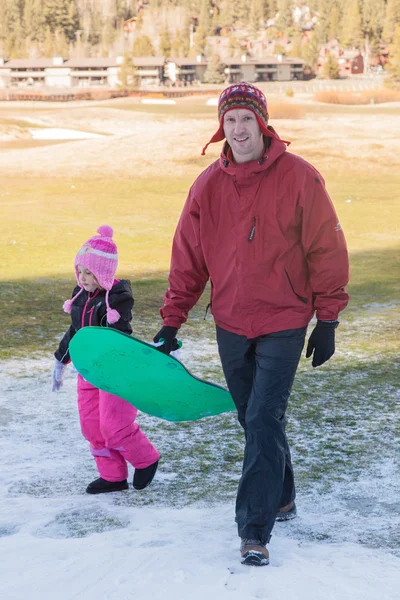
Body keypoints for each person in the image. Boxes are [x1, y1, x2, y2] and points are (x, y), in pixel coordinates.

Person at [153, 83, 349, 566]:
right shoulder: (207, 185)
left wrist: (328, 318)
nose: (238, 130)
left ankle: (253, 531)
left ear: (263, 124)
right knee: (253, 418)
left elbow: (326, 246)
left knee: (263, 417)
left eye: (247, 120)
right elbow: (189, 258)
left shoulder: (300, 178)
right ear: (222, 128)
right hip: (232, 321)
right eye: (230, 121)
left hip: (284, 319)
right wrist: (172, 320)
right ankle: (281, 497)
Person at [53, 225, 160, 494]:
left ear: (102, 272)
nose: (83, 277)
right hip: (89, 372)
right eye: (80, 270)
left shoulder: (117, 300)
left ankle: (146, 459)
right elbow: (76, 333)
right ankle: (112, 476)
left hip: (116, 376)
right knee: (92, 428)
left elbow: (117, 337)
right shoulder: (80, 297)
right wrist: (60, 360)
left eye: (89, 272)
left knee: (114, 426)